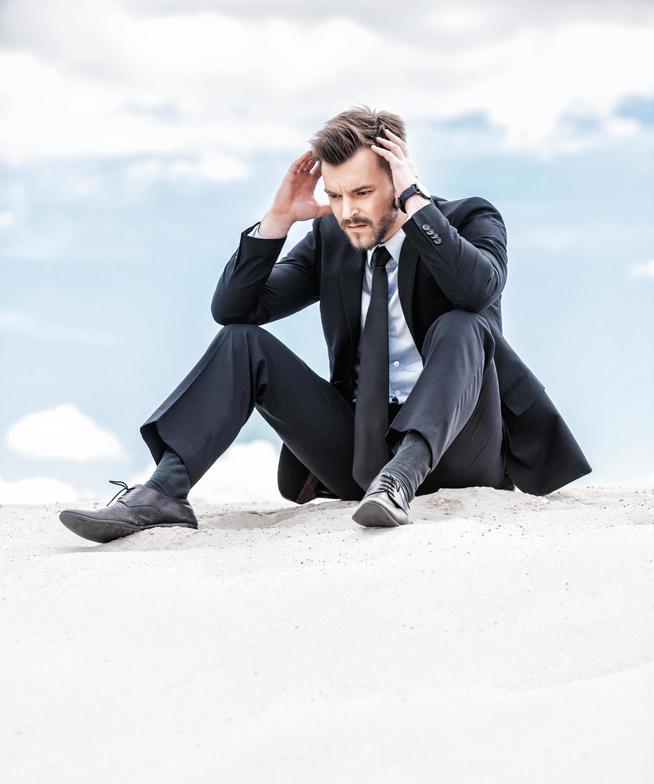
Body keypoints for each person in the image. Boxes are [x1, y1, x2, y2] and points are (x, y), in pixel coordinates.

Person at [59, 104, 591, 544]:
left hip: (462, 446)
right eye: (335, 195)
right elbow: (235, 310)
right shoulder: (333, 241)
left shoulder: (467, 220)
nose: (346, 211)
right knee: (242, 342)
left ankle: (403, 479)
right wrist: (278, 220)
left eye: (361, 193)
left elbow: (477, 291)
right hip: (361, 449)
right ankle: (164, 490)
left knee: (463, 324)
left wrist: (417, 205)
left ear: (400, 178)